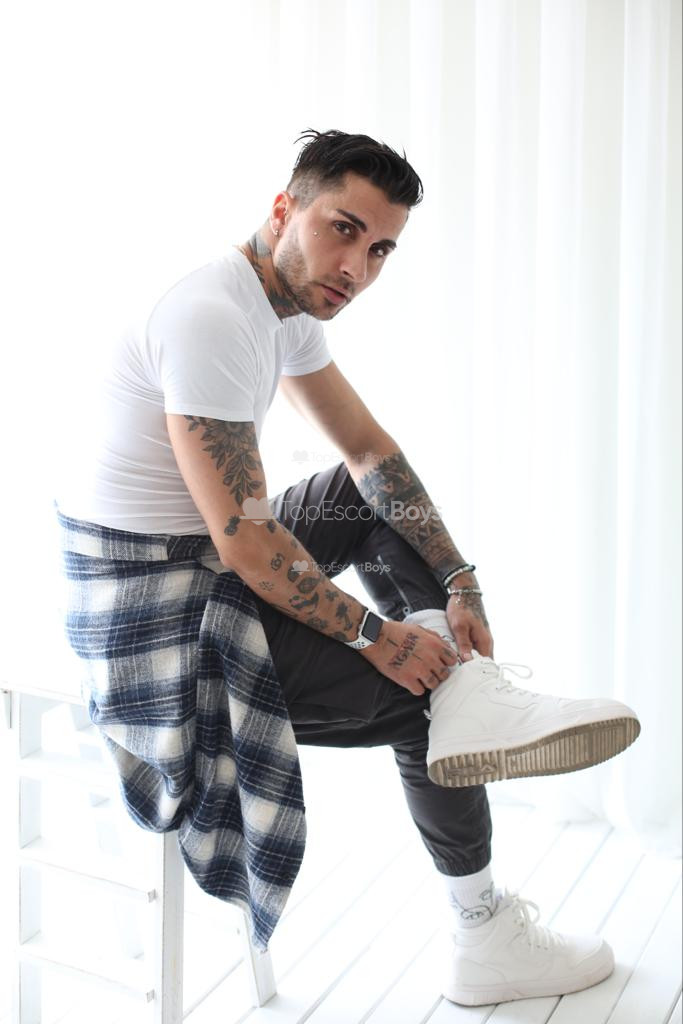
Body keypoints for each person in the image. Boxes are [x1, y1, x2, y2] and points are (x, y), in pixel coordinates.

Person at [56, 129, 640, 1007]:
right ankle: (482, 931)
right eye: (343, 230)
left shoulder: (281, 306)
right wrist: (380, 637)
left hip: (206, 560)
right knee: (425, 695)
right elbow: (246, 543)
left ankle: (467, 697)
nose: (357, 269)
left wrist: (459, 581)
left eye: (379, 250)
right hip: (150, 615)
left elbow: (367, 452)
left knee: (362, 500)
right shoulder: (212, 316)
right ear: (282, 209)